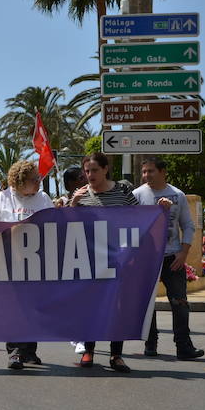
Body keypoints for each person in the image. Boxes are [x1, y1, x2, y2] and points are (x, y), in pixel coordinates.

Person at [0, 160, 54, 370]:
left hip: (36, 263)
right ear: (21, 181)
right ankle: (14, 352)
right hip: (9, 262)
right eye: (34, 179)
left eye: (38, 178)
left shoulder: (43, 198)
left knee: (33, 307)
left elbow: (55, 225)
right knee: (13, 308)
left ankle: (29, 351)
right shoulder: (2, 198)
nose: (39, 182)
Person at [68, 152, 138, 373]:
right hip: (90, 260)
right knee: (90, 307)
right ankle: (88, 350)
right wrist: (73, 203)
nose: (90, 175)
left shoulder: (123, 191)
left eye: (95, 170)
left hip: (119, 258)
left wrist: (162, 210)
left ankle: (116, 355)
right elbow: (66, 225)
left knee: (118, 307)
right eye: (87, 171)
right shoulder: (80, 195)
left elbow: (140, 218)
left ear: (106, 169)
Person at [133, 157, 204, 360]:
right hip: (147, 259)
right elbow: (131, 224)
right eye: (144, 172)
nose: (146, 175)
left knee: (179, 303)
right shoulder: (137, 195)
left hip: (173, 257)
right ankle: (150, 344)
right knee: (147, 304)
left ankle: (184, 347)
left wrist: (183, 252)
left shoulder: (177, 195)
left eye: (151, 171)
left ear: (163, 172)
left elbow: (188, 225)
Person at [57, 166, 89, 355]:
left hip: (89, 256)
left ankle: (81, 337)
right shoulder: (62, 204)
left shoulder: (93, 199)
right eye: (80, 178)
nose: (85, 179)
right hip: (69, 258)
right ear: (71, 184)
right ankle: (76, 335)